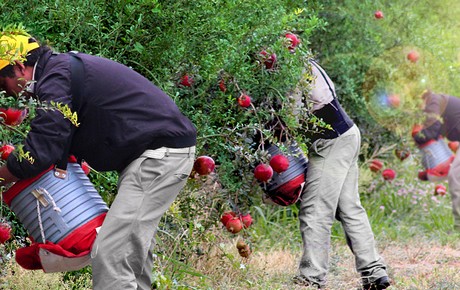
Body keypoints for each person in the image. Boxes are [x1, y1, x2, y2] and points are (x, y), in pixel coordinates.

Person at [0, 31, 197, 289]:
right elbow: (53, 139)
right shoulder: (59, 72)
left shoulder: (55, 78)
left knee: (112, 253)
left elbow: (42, 148)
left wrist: (4, 173)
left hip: (158, 159)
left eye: (3, 84)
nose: (8, 93)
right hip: (156, 157)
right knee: (131, 255)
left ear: (18, 67)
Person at [291, 59, 390, 289]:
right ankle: (373, 271)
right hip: (346, 134)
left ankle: (311, 277)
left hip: (331, 143)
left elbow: (290, 117)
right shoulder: (307, 63)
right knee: (349, 207)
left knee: (315, 210)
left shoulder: (292, 70)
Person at [412, 90, 460, 232]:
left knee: (455, 177)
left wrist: (415, 134)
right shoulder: (435, 102)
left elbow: (431, 131)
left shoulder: (433, 101)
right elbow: (435, 134)